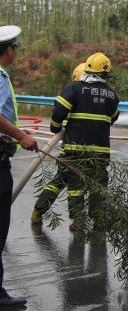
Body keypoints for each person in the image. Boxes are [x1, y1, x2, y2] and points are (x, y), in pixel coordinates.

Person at [44, 53, 119, 232]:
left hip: (74, 149)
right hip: (100, 153)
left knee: (75, 185)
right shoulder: (112, 95)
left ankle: (77, 220)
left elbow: (58, 111)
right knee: (98, 186)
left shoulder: (74, 89)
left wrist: (55, 128)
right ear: (105, 73)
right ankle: (99, 221)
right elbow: (113, 118)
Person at [0, 25, 38, 307]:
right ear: (9, 50)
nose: (16, 52)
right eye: (16, 48)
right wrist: (21, 135)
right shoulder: (0, 78)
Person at [31, 63, 86, 224]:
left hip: (68, 148)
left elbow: (58, 117)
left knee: (59, 180)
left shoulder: (73, 94)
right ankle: (77, 221)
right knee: (75, 185)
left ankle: (37, 211)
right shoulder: (86, 98)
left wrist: (55, 128)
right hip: (77, 149)